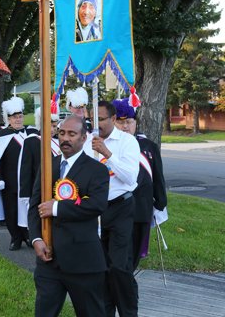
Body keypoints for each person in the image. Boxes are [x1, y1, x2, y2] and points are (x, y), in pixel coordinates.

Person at [28, 115, 109, 317]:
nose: (65, 138)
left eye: (72, 134)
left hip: (83, 262)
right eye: (62, 133)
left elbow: (97, 205)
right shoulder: (48, 166)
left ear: (84, 138)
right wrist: (36, 238)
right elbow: (34, 205)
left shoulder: (97, 170)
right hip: (49, 261)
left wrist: (57, 209)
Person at [92, 100, 140, 317]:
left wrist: (107, 154)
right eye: (93, 119)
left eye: (101, 119)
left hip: (121, 207)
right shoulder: (87, 142)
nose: (96, 124)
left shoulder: (127, 142)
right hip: (96, 210)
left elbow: (130, 177)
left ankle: (128, 311)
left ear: (113, 119)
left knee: (119, 267)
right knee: (100, 267)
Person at [111, 98, 168, 271]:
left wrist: (160, 201)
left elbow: (158, 177)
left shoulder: (148, 146)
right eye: (120, 122)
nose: (125, 126)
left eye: (129, 121)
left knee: (133, 256)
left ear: (135, 122)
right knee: (118, 259)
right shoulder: (108, 145)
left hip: (140, 210)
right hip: (115, 211)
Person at [0, 96, 39, 250]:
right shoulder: (2, 137)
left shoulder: (32, 132)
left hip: (28, 180)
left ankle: (28, 235)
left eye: (20, 116)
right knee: (11, 211)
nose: (18, 120)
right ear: (8, 119)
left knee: (28, 209)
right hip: (10, 181)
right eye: (15, 117)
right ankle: (15, 238)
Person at [17, 107, 61, 229]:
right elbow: (26, 169)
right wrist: (25, 194)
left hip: (59, 187)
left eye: (54, 126)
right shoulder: (31, 141)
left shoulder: (60, 141)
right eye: (49, 126)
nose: (52, 130)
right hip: (39, 187)